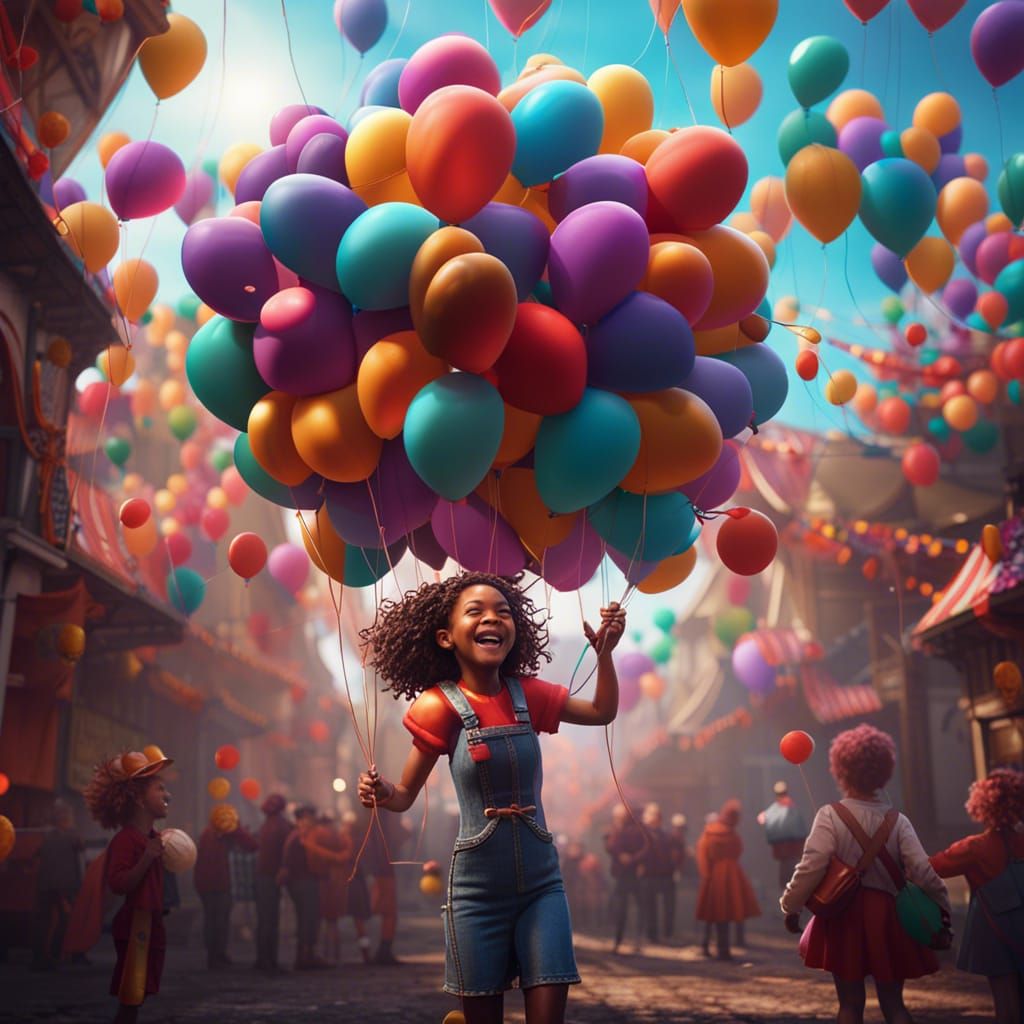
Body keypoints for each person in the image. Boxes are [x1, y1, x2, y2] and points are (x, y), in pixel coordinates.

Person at [357, 572, 626, 1024]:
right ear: (446, 637)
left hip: (543, 886)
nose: (493, 619)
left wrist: (605, 655)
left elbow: (602, 712)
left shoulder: (531, 694)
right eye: (477, 612)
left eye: (503, 612)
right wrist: (381, 792)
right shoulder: (437, 707)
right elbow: (404, 795)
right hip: (476, 893)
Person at [781, 724, 952, 1024]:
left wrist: (790, 906)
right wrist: (943, 914)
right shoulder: (898, 820)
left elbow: (811, 867)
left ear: (840, 769)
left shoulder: (829, 815)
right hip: (889, 916)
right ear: (883, 771)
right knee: (894, 1004)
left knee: (849, 1004)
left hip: (843, 917)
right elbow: (924, 872)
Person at [82, 749, 173, 1024]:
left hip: (152, 922)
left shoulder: (154, 836)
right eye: (160, 789)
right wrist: (147, 857)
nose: (167, 796)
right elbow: (119, 883)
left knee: (139, 996)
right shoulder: (126, 840)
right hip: (137, 925)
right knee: (130, 999)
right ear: (138, 798)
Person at [930, 769, 1024, 1024]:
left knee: (1006, 1005)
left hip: (996, 934)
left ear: (982, 805)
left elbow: (933, 867)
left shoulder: (974, 847)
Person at [696, 799, 760, 960]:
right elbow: (739, 849)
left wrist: (706, 873)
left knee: (713, 911)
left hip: (714, 874)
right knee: (728, 911)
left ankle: (707, 945)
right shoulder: (732, 834)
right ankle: (723, 949)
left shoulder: (710, 832)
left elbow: (703, 853)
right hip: (731, 874)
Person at [193, 819, 258, 969]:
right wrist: (240, 829)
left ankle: (215, 954)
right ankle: (217, 955)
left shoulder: (207, 832)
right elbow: (251, 845)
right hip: (220, 882)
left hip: (205, 882)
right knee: (219, 920)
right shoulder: (228, 830)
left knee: (212, 919)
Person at [32, 799, 84, 970]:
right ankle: (50, 954)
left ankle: (43, 956)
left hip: (49, 884)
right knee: (63, 919)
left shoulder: (47, 835)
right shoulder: (70, 836)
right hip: (62, 885)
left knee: (47, 921)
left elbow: (36, 856)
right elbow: (80, 853)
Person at [278, 805, 331, 970]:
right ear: (300, 820)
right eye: (309, 818)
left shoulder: (304, 836)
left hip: (307, 881)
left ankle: (308, 954)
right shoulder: (297, 837)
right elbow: (290, 862)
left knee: (310, 918)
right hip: (302, 882)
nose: (312, 822)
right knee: (307, 919)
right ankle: (304, 956)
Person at [362, 807, 412, 965]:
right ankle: (383, 950)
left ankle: (368, 949)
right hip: (383, 868)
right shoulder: (388, 815)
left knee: (365, 910)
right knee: (388, 911)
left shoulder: (365, 818)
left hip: (371, 867)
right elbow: (399, 835)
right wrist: (408, 831)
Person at [254, 794, 292, 973]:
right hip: (269, 876)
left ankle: (265, 958)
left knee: (265, 920)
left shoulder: (269, 825)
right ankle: (268, 959)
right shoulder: (281, 825)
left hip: (265, 876)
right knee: (269, 920)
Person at [604, 803, 647, 954]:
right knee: (621, 908)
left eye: (620, 815)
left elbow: (646, 846)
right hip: (621, 874)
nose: (618, 818)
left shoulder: (637, 828)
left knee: (639, 907)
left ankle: (638, 940)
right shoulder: (614, 829)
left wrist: (633, 859)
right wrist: (620, 855)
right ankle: (618, 940)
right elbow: (610, 847)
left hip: (634, 873)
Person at [314, 812, 351, 965]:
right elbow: (346, 855)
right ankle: (334, 954)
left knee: (327, 921)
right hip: (336, 880)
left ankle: (328, 953)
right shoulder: (340, 837)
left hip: (326, 881)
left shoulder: (318, 837)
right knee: (332, 921)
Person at [758, 781, 808, 891]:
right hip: (788, 846)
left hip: (789, 846)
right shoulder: (783, 807)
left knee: (789, 870)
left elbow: (764, 819)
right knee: (789, 870)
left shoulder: (786, 807)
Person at [638, 803, 676, 945]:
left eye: (657, 814)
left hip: (665, 873)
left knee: (668, 905)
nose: (655, 817)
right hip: (648, 874)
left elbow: (670, 853)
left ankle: (668, 933)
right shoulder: (641, 833)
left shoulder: (665, 834)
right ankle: (651, 934)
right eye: (652, 813)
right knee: (650, 906)